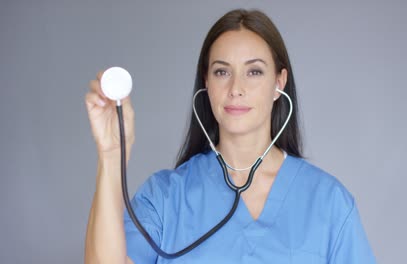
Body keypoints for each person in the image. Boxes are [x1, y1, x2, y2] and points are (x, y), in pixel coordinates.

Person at [84, 9, 376, 264]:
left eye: (254, 72)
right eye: (222, 72)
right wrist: (110, 156)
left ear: (279, 82)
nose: (236, 88)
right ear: (206, 82)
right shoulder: (164, 198)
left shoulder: (328, 203)